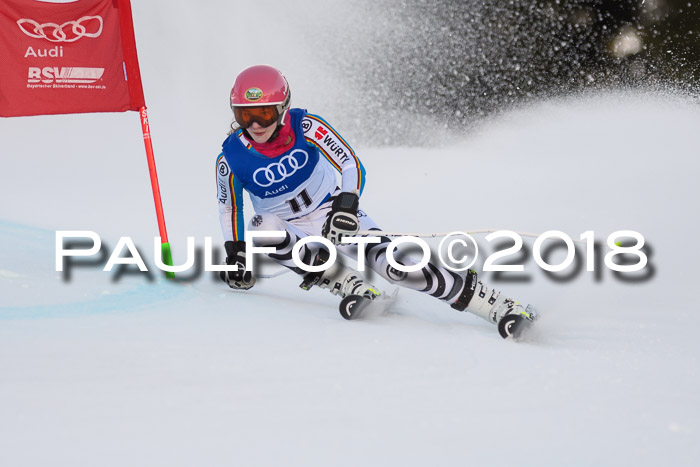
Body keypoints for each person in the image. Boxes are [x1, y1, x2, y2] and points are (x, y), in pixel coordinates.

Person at [216, 64, 536, 335]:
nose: (255, 125)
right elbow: (230, 205)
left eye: (264, 113)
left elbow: (349, 163)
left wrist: (346, 206)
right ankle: (345, 283)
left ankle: (493, 304)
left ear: (282, 107)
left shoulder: (306, 126)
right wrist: (236, 255)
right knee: (262, 227)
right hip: (288, 227)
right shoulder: (230, 157)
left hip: (330, 213)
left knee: (395, 267)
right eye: (245, 116)